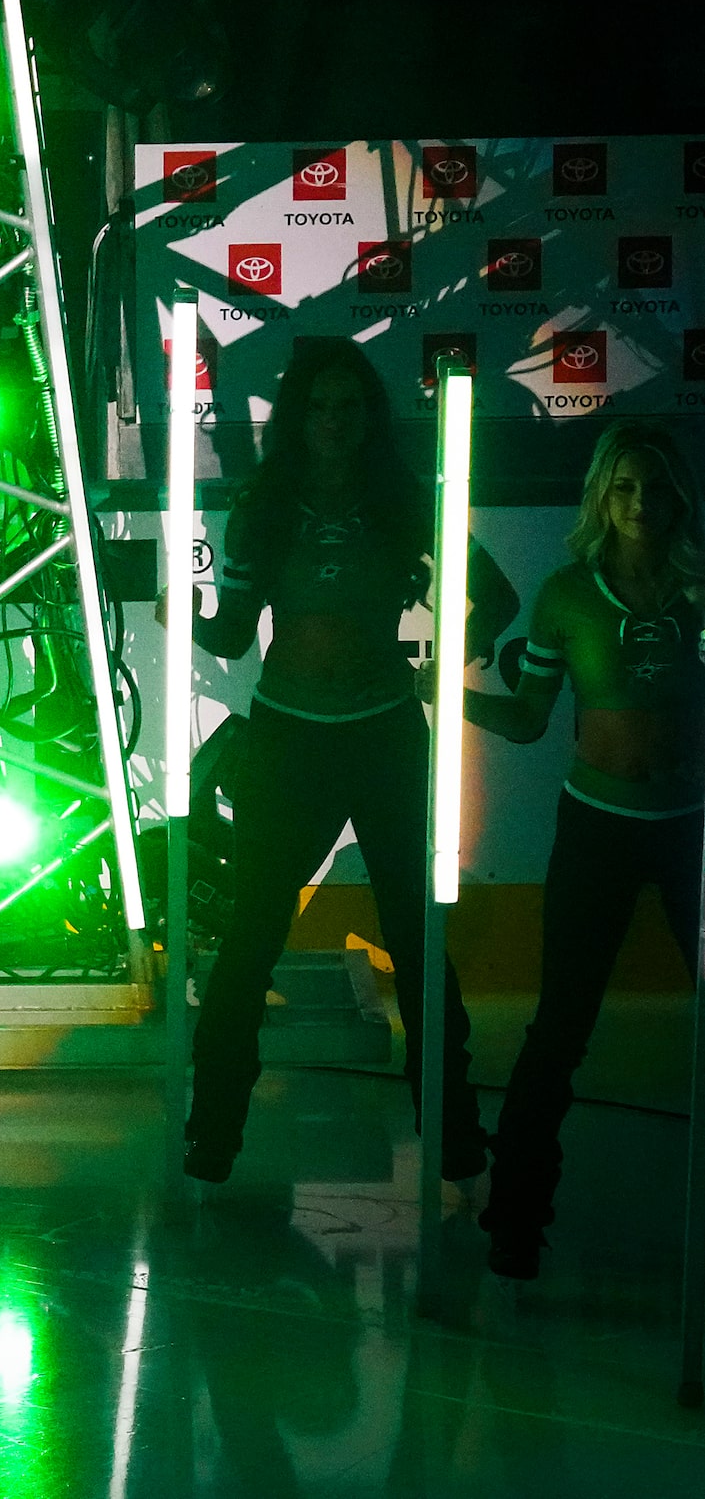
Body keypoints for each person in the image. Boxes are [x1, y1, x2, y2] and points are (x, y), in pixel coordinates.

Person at [181, 339, 514, 1183]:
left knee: (414, 935)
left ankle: (451, 1130)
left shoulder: (402, 502)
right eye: (319, 407)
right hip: (289, 736)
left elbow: (497, 597)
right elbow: (229, 631)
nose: (334, 422)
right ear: (298, 417)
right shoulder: (264, 508)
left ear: (370, 418)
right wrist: (173, 608)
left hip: (382, 733)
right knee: (252, 934)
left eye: (350, 407)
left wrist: (443, 663)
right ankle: (211, 1132)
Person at [464, 421, 704, 1278]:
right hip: (595, 825)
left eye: (656, 488)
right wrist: (448, 696)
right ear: (602, 496)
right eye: (626, 488)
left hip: (688, 828)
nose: (642, 504)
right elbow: (528, 722)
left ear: (679, 497)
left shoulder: (697, 589)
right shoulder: (566, 595)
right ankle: (514, 1220)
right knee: (560, 1025)